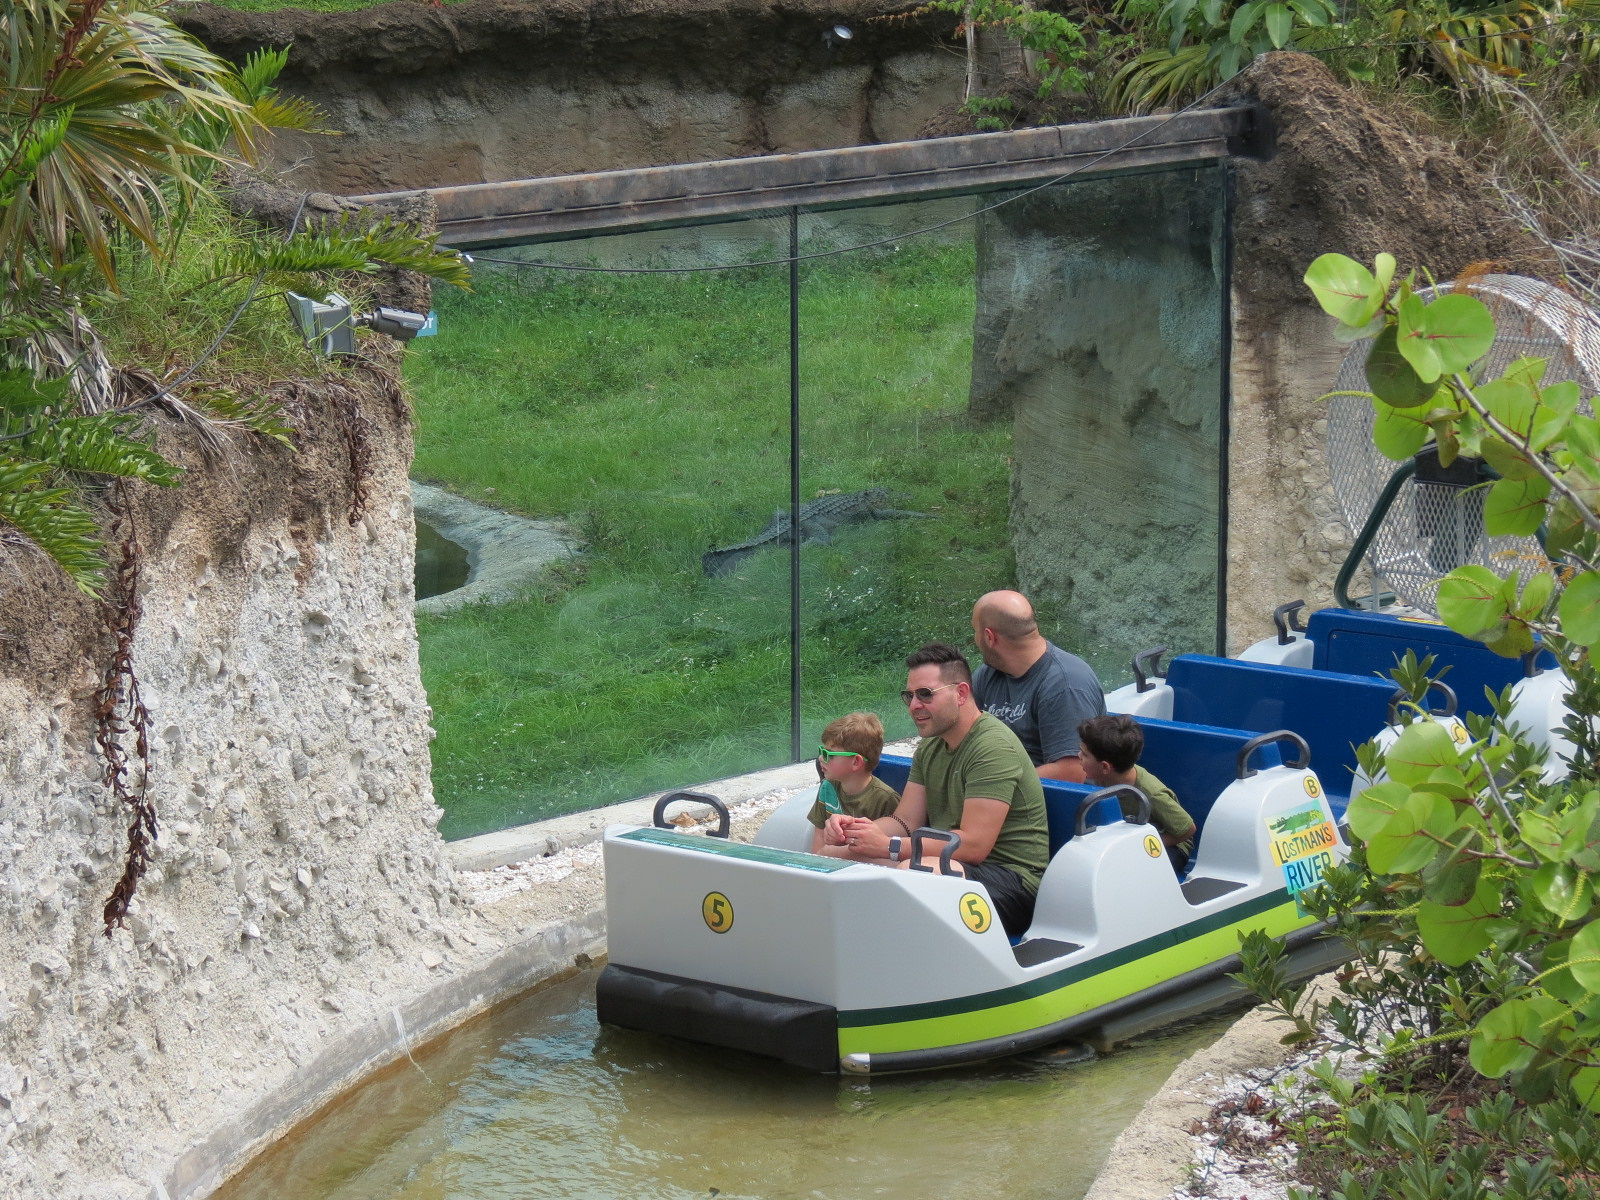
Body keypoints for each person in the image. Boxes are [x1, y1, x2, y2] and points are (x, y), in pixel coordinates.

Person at [824, 642, 1049, 937]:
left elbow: (973, 846)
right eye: (910, 696)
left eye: (926, 694)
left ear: (961, 693)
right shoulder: (931, 746)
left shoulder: (992, 747)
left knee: (911, 874)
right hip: (952, 865)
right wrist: (854, 831)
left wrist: (888, 848)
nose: (915, 705)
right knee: (831, 855)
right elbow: (905, 822)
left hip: (1012, 883)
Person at [970, 590, 1106, 783]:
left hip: (1059, 802)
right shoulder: (989, 674)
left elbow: (1072, 772)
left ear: (989, 637)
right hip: (1004, 789)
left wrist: (994, 783)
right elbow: (962, 728)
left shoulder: (1066, 685)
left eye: (974, 631)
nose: (975, 640)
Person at [1077, 714, 1197, 875]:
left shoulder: (1151, 794)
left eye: (1084, 754)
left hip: (1171, 846)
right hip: (1125, 837)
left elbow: (1187, 829)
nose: (1078, 756)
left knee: (1135, 871)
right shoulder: (1099, 778)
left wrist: (1143, 845)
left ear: (1105, 767)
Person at [806, 712, 900, 855]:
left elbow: (890, 850)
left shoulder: (885, 798)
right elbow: (819, 837)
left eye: (828, 754)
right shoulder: (827, 786)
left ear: (856, 762)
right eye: (821, 751)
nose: (820, 758)